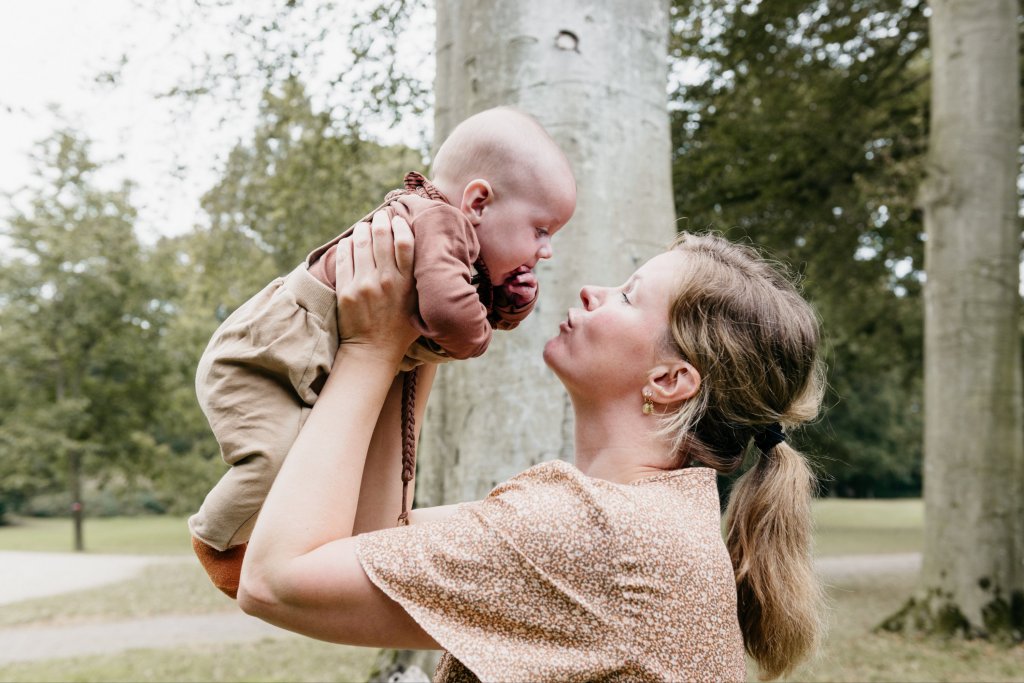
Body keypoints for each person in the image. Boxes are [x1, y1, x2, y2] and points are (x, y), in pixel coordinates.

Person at [237, 219, 826, 682]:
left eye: (626, 296)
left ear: (670, 381)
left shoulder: (601, 535)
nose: (592, 292)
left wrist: (370, 345)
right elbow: (374, 541)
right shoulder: (643, 520)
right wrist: (423, 339)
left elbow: (276, 580)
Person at [188, 107, 577, 598]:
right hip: (260, 361)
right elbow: (450, 318)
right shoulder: (439, 223)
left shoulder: (451, 241)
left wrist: (507, 301)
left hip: (304, 364)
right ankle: (215, 538)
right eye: (541, 230)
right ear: (477, 202)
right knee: (277, 459)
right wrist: (480, 334)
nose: (546, 251)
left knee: (317, 460)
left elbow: (453, 311)